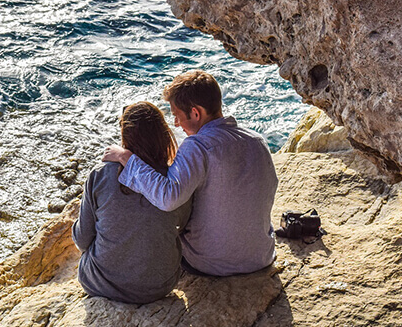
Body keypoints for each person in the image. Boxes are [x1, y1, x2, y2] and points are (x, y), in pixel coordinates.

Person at [103, 70, 278, 277]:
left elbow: (168, 197)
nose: (175, 123)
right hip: (261, 257)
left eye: (176, 116)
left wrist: (127, 158)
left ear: (196, 113)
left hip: (211, 263)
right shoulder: (257, 140)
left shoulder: (197, 146)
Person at [72, 101, 192, 304]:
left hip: (102, 284)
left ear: (125, 137)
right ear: (163, 135)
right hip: (159, 286)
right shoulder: (175, 181)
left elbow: (82, 239)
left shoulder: (101, 174)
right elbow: (183, 224)